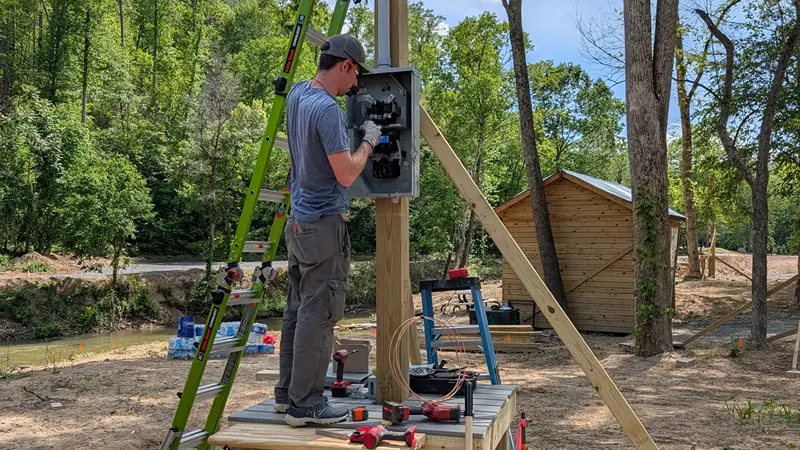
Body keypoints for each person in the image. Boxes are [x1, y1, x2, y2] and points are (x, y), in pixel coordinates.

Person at [274, 34, 381, 427]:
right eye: (355, 78)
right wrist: (369, 140)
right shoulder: (328, 111)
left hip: (299, 223)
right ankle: (307, 405)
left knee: (297, 311)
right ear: (346, 66)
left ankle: (286, 395)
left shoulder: (299, 94)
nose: (356, 87)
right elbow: (347, 172)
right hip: (322, 227)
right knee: (319, 315)